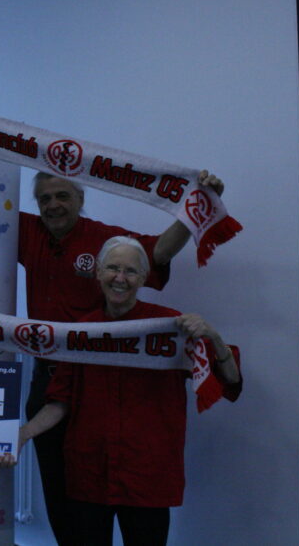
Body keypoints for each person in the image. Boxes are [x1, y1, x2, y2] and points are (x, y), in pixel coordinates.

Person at [20, 170, 224, 544]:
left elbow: (158, 253)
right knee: (62, 495)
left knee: (117, 492)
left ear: (81, 200)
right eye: (44, 198)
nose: (54, 205)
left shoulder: (103, 240)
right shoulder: (27, 231)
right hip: (48, 379)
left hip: (96, 381)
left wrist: (198, 204)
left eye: (62, 195)